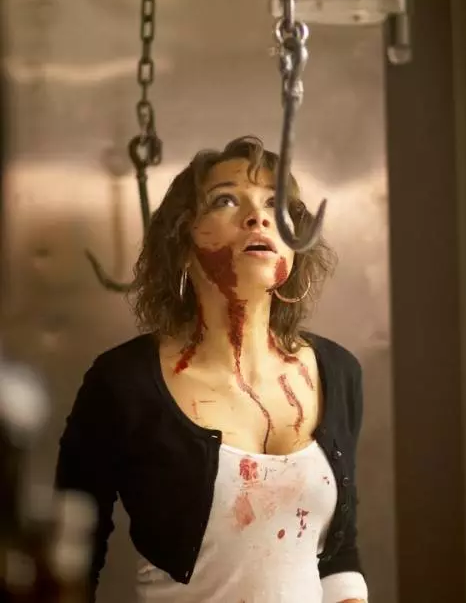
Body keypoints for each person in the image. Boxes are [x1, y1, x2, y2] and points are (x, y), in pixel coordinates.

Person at [55, 135, 369, 603]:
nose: (259, 217)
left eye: (275, 204)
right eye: (225, 200)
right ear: (182, 240)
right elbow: (69, 558)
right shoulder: (123, 383)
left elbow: (337, 552)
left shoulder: (338, 372)